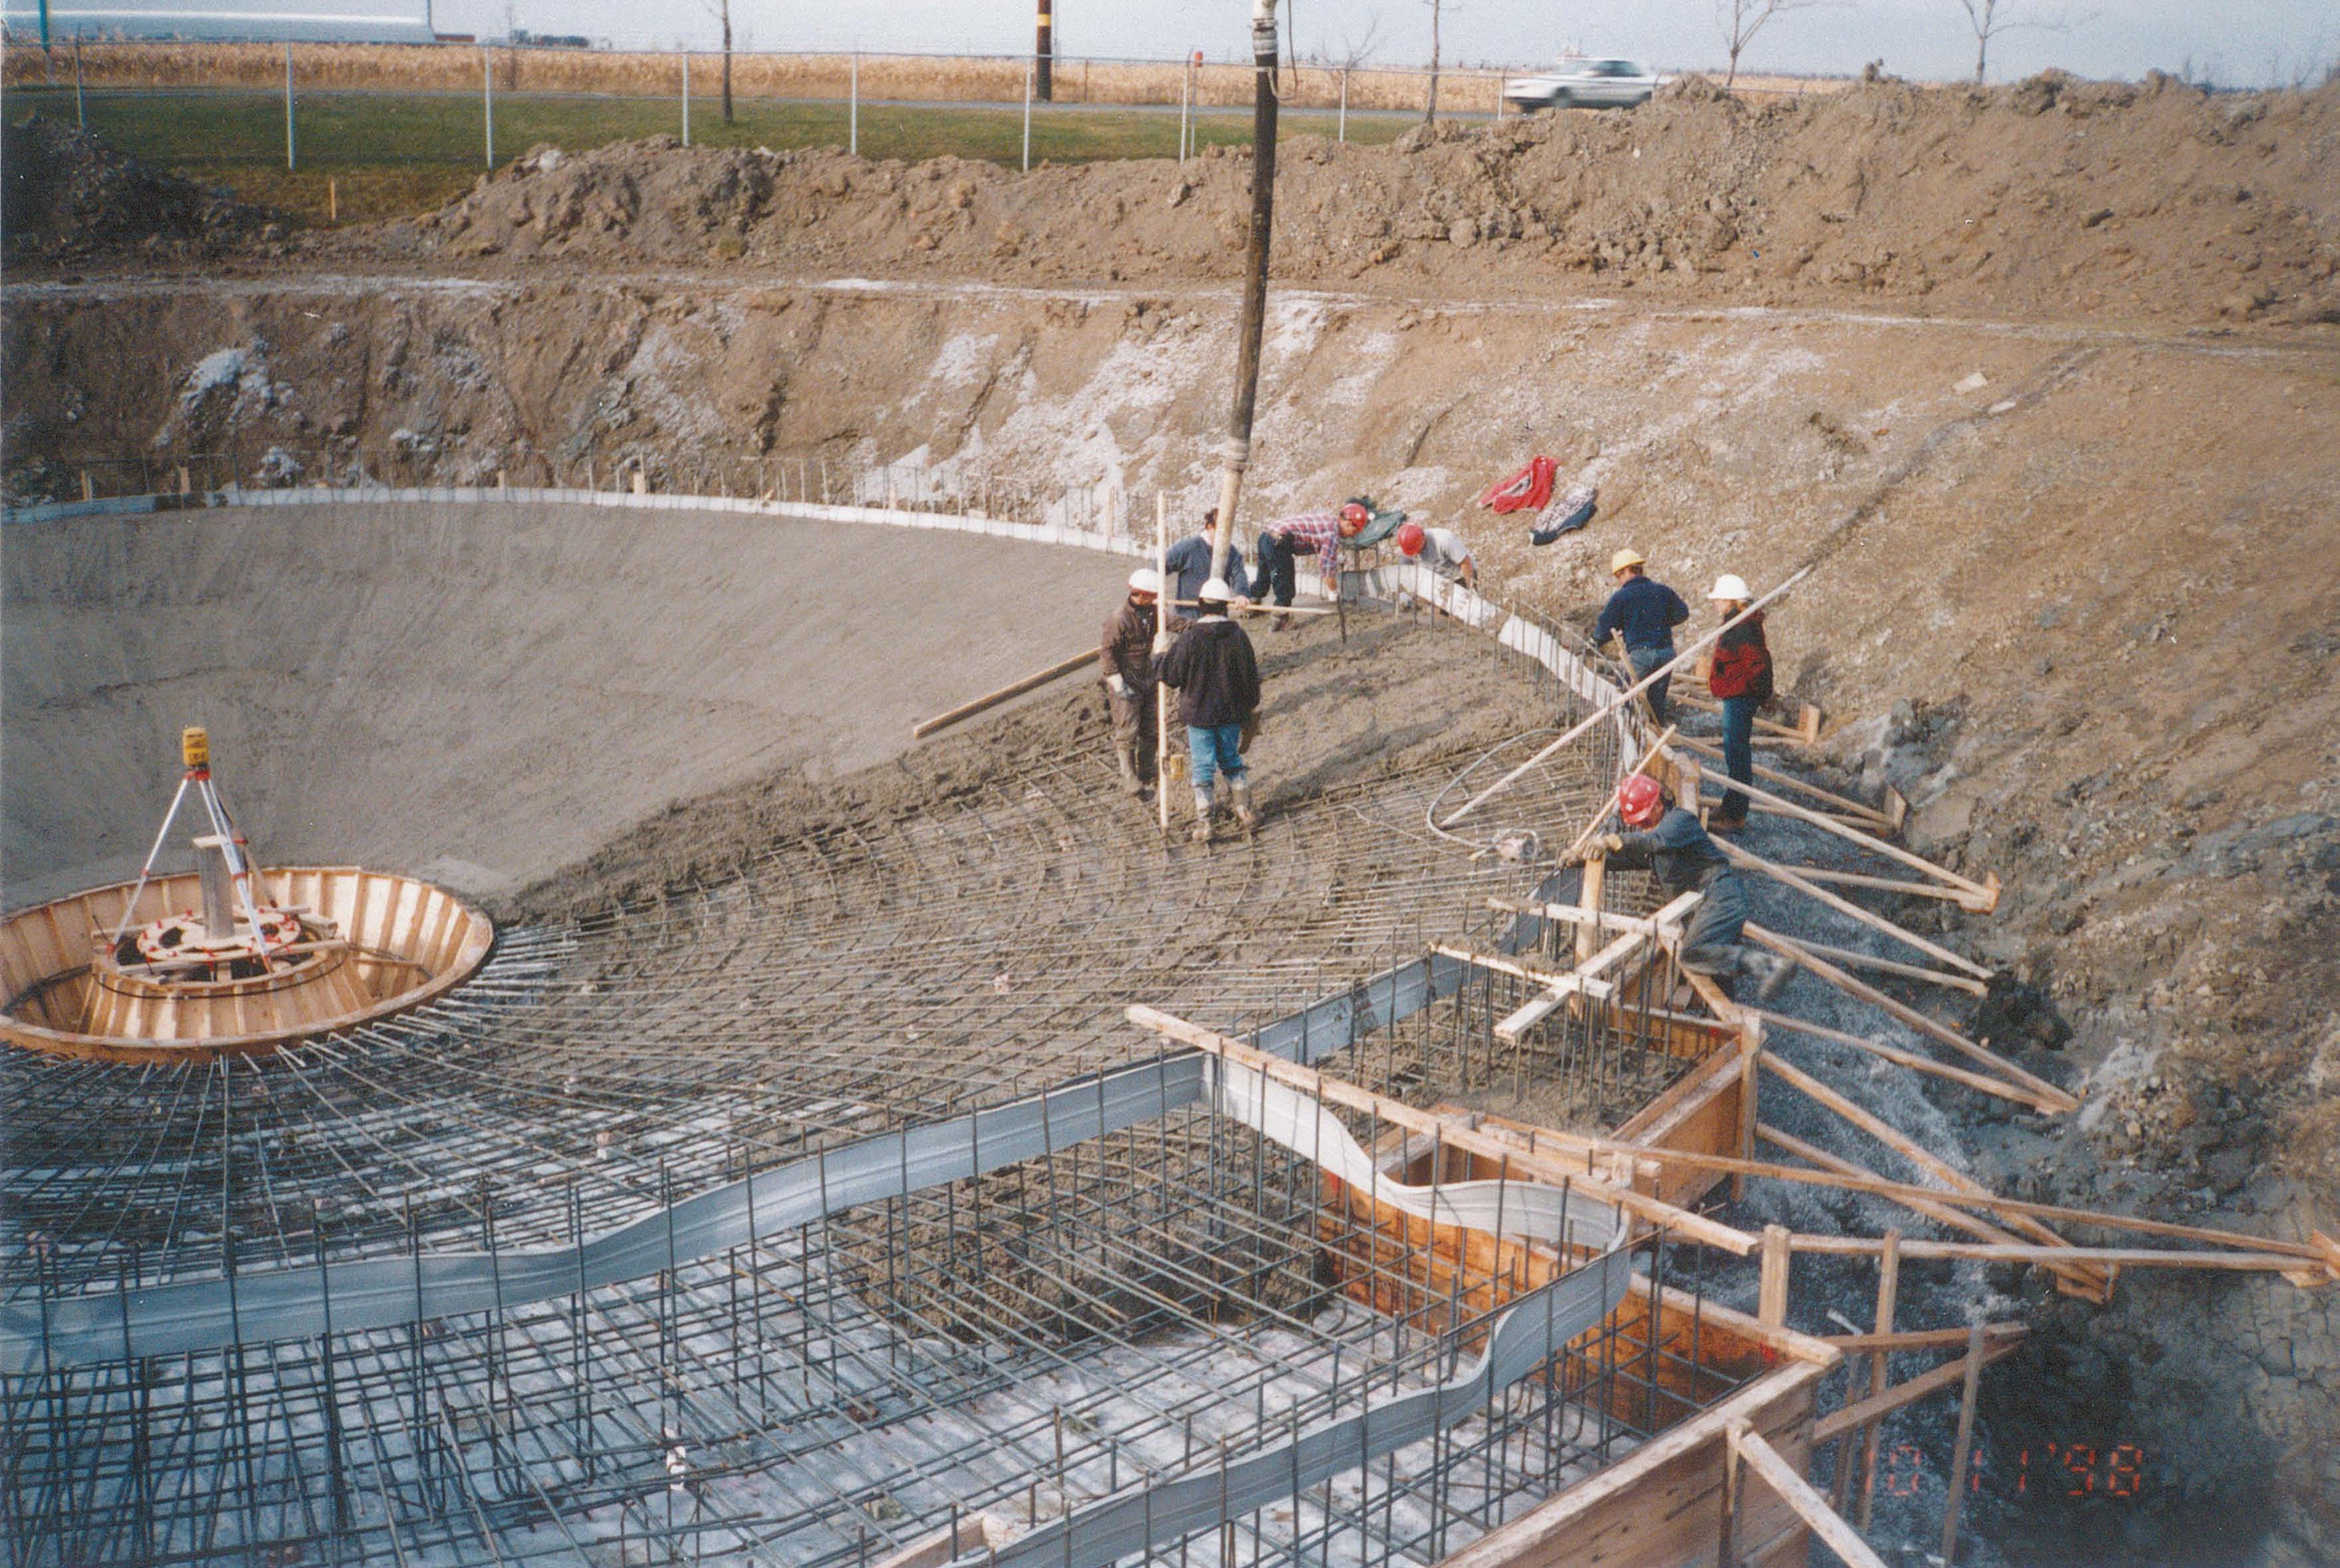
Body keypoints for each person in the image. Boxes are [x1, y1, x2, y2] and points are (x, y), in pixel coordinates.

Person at [1576, 773, 1792, 1002]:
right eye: (1637, 823)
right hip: (1705, 904)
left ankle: (1770, 966)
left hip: (1720, 896)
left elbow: (1652, 841)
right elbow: (1631, 858)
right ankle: (1727, 1014)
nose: (1641, 827)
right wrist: (1581, 860)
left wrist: (1612, 841)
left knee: (1694, 954)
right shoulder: (1657, 839)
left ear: (1658, 805)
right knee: (1715, 967)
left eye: (1645, 821)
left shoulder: (1680, 822)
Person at [1155, 578, 1261, 843]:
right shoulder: (1238, 635)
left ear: (1201, 604)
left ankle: (1205, 822)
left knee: (1203, 767)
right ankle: (1244, 810)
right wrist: (1249, 708)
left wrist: (1159, 655)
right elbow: (1250, 677)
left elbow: (1170, 676)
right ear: (1225, 606)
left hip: (1199, 715)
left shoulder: (1190, 638)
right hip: (1230, 713)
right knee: (1231, 760)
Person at [1698, 573, 1772, 833]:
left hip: (1741, 698)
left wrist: (1756, 694)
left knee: (1738, 756)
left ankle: (1736, 815)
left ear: (1731, 600)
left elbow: (1756, 666)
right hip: (1737, 696)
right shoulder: (1737, 622)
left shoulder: (1742, 627)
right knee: (1734, 754)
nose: (1715, 603)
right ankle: (1730, 806)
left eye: (1719, 599)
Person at [1100, 567, 1179, 798]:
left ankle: (1146, 769)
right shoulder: (1118, 619)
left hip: (1147, 676)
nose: (1155, 599)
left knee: (1151, 727)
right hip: (1126, 679)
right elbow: (1107, 652)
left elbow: (1179, 624)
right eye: (1153, 596)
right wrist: (1116, 681)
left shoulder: (1154, 614)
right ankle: (1129, 778)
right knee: (1128, 730)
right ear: (1141, 594)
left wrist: (1203, 628)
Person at [1590, 548, 1690, 723]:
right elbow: (1683, 613)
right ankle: (1656, 732)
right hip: (1666, 654)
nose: (1620, 581)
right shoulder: (1663, 591)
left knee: (1624, 696)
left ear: (1626, 572)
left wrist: (1593, 642)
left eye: (1619, 576)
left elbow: (1605, 628)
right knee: (1657, 702)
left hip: (1641, 656)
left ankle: (1629, 732)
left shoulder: (1621, 597)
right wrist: (1659, 623)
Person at [1250, 503, 1369, 611]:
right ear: (1348, 524)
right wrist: (1334, 591)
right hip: (1280, 542)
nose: (1352, 535)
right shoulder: (1333, 534)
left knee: (1264, 576)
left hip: (1266, 536)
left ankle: (1252, 600)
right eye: (1354, 531)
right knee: (1284, 585)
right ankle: (1280, 616)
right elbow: (1326, 569)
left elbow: (1322, 548)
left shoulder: (1330, 522)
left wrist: (1335, 559)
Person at [1163, 510, 1249, 609]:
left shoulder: (1232, 552)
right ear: (1209, 527)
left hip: (1218, 612)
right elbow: (1160, 566)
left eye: (1227, 533)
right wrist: (1155, 593)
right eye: (1221, 532)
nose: (1224, 537)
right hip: (1188, 613)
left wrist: (1242, 594)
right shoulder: (1188, 548)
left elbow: (1239, 574)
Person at [1395, 521, 1478, 590]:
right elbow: (1404, 569)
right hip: (1440, 578)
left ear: (1423, 540)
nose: (1415, 554)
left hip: (1461, 574)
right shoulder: (1408, 546)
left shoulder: (1444, 540)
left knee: (1465, 602)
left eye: (1416, 551)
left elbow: (1465, 563)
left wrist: (1471, 588)